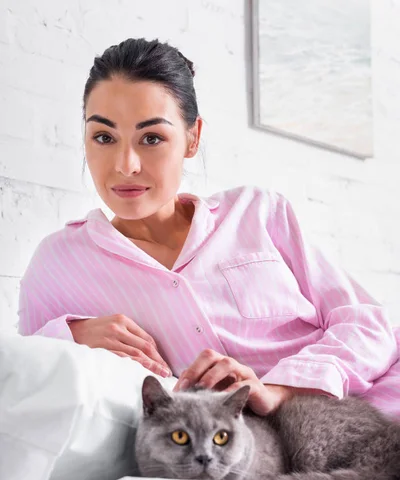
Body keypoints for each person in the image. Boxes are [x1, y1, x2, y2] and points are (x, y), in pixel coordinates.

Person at [18, 37, 400, 418]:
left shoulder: (258, 214)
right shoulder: (57, 263)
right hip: (258, 458)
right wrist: (69, 337)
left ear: (192, 137)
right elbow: (21, 381)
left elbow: (369, 325)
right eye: (104, 137)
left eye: (151, 138)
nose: (126, 165)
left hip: (377, 407)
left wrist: (278, 389)